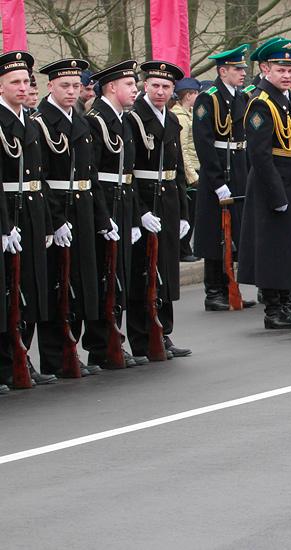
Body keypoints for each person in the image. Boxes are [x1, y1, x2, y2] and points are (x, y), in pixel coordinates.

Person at [34, 58, 116, 379]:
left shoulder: (79, 121)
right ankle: (55, 357)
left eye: (76, 86)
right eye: (65, 86)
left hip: (82, 209)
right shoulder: (41, 122)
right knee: (58, 284)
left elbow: (90, 176)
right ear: (50, 86)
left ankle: (75, 350)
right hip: (59, 210)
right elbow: (40, 178)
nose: (71, 91)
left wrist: (103, 218)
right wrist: (55, 220)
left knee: (81, 282)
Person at [237, 37, 291, 330]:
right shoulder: (261, 103)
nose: (287, 75)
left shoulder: (289, 97)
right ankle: (274, 309)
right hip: (272, 183)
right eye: (280, 70)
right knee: (274, 247)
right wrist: (276, 194)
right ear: (265, 69)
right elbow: (259, 155)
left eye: (290, 69)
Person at [125, 61, 192, 360]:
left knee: (165, 269)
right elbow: (128, 171)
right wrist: (139, 212)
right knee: (144, 271)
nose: (160, 91)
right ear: (145, 86)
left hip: (168, 200)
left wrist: (183, 212)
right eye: (155, 85)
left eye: (166, 87)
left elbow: (178, 171)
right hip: (145, 198)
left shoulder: (172, 119)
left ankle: (164, 331)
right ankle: (142, 338)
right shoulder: (134, 118)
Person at [0, 51, 57, 388]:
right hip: (9, 211)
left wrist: (48, 222)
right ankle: (5, 363)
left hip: (33, 212)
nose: (23, 87)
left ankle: (23, 357)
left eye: (26, 81)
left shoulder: (31, 122)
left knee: (32, 287)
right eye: (15, 82)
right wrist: (4, 226)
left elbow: (41, 177)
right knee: (8, 291)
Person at [82, 59, 144, 369]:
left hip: (123, 202)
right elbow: (92, 174)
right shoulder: (97, 121)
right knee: (105, 277)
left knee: (119, 276)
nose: (135, 89)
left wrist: (134, 218)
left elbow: (129, 173)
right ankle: (101, 344)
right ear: (110, 87)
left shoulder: (123, 119)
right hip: (106, 202)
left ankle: (114, 340)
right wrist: (103, 217)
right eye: (129, 85)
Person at [192, 44, 256, 312]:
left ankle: (231, 286)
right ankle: (214, 291)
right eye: (237, 69)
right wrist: (217, 182)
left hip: (239, 167)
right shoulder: (208, 99)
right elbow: (204, 143)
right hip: (218, 170)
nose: (242, 73)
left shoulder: (242, 96)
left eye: (243, 68)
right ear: (222, 71)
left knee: (237, 230)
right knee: (215, 232)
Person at [172, 77, 202, 262]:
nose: (198, 96)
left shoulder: (189, 114)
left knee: (192, 212)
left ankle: (185, 248)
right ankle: (183, 249)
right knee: (187, 213)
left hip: (195, 167)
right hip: (189, 173)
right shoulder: (181, 117)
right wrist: (192, 176)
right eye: (195, 93)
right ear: (188, 95)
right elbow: (182, 150)